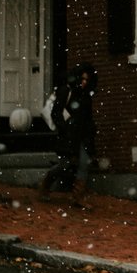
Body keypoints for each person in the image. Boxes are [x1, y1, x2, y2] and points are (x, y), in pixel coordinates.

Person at [40, 62, 97, 205]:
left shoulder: (86, 97)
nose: (84, 83)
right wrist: (65, 129)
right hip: (68, 136)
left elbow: (88, 119)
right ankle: (46, 183)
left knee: (84, 163)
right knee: (64, 165)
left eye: (87, 80)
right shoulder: (66, 91)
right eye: (82, 79)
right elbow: (56, 113)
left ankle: (77, 197)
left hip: (82, 136)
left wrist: (90, 136)